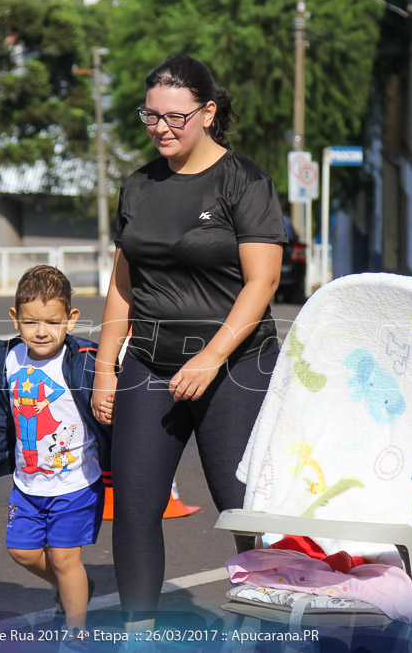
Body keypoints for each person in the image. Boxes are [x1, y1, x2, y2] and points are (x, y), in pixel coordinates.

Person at [91, 54, 286, 631]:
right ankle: (139, 635)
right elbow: (123, 283)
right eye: (150, 117)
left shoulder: (243, 182)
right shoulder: (138, 185)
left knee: (241, 508)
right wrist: (106, 367)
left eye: (175, 117)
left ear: (207, 112)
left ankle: (268, 626)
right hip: (149, 365)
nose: (161, 129)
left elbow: (263, 281)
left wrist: (211, 357)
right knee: (135, 506)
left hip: (235, 368)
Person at [0, 265, 111, 638]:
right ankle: (77, 585)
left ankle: (76, 631)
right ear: (15, 319)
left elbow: (114, 399)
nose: (41, 331)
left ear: (70, 320)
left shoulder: (86, 360)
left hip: (76, 482)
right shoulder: (9, 360)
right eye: (30, 322)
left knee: (63, 556)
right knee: (22, 552)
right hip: (28, 482)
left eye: (52, 322)